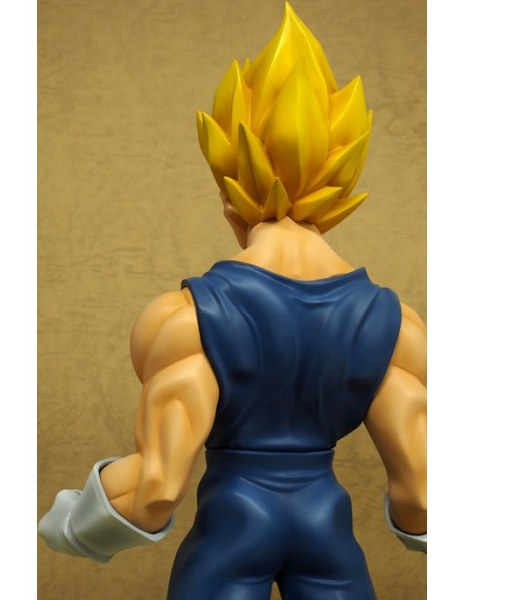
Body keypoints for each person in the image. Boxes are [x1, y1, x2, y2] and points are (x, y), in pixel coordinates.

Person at [38, 3, 426, 598]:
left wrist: (69, 525)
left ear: (229, 186)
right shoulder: (395, 325)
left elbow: (156, 489)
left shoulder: (188, 318)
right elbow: (422, 493)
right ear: (343, 185)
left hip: (233, 528)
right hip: (327, 531)